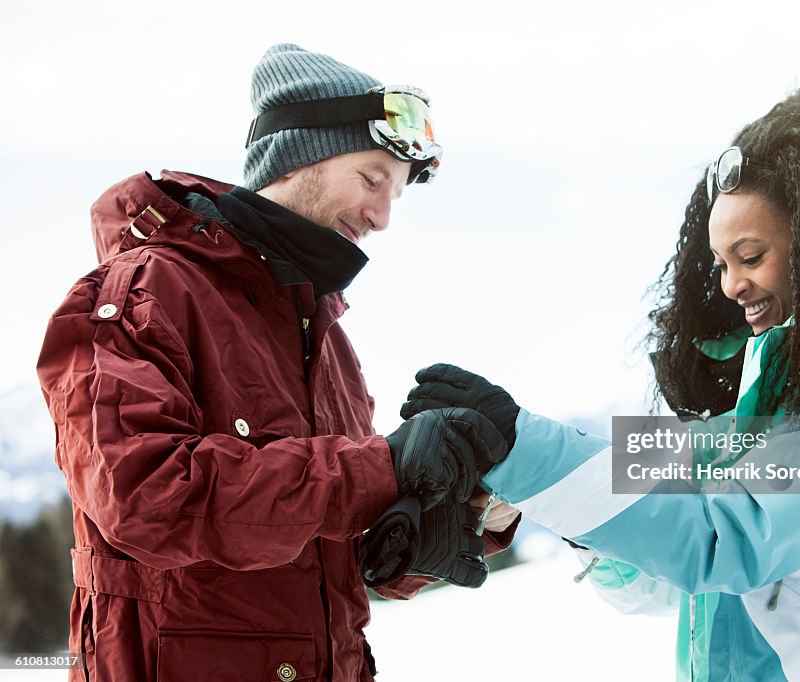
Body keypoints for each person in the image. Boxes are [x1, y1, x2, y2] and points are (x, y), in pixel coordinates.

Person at [400, 80, 800, 681]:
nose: (729, 285)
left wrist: (517, 443)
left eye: (750, 255)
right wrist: (551, 504)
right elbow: (656, 583)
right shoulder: (757, 416)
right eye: (719, 263)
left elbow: (725, 543)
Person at [36, 44, 515, 682]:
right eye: (372, 180)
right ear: (296, 158)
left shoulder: (323, 337)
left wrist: (473, 500)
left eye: (395, 195)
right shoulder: (148, 292)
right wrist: (384, 466)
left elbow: (349, 550)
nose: (382, 217)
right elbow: (143, 498)